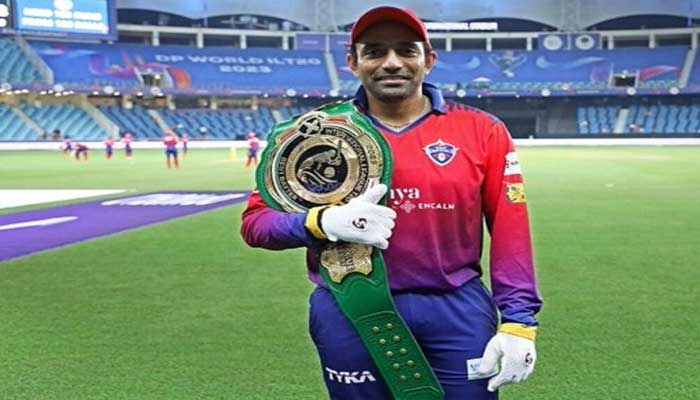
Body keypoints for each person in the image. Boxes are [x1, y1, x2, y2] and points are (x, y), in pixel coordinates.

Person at [240, 6, 542, 400]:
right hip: (349, 305)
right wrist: (321, 222)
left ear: (428, 60)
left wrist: (519, 322)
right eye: (375, 51)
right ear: (353, 62)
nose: (392, 62)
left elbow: (510, 229)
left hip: (456, 309)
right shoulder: (315, 135)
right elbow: (257, 223)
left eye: (406, 50)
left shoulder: (482, 130)